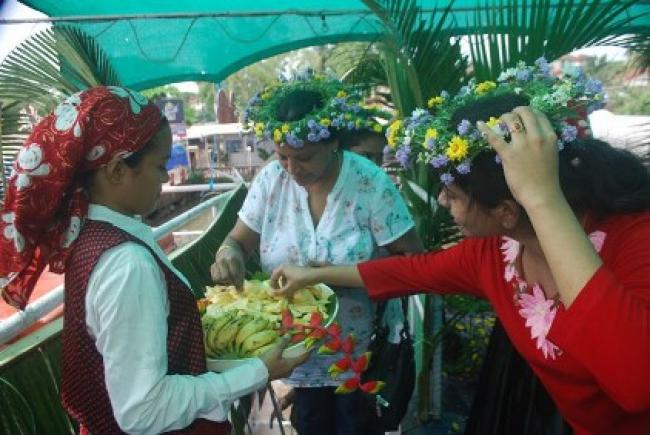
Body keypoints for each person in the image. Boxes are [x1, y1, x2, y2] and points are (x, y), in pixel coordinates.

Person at [270, 61, 650, 434]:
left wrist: (544, 199)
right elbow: (409, 270)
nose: (440, 202)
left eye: (452, 194)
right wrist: (313, 275)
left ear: (505, 211)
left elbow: (636, 383)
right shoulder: (496, 254)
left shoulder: (633, 239)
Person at [0, 86, 305, 434]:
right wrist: (258, 371)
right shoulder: (127, 263)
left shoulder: (89, 236)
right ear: (116, 170)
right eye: (160, 166)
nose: (166, 178)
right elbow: (143, 410)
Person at [211, 78, 423, 435]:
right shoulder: (271, 180)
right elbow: (237, 240)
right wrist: (227, 253)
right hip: (295, 356)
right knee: (310, 424)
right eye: (283, 156)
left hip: (359, 356)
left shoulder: (369, 184)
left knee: (356, 424)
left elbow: (415, 264)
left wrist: (329, 275)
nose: (292, 169)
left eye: (304, 157)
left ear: (334, 142)